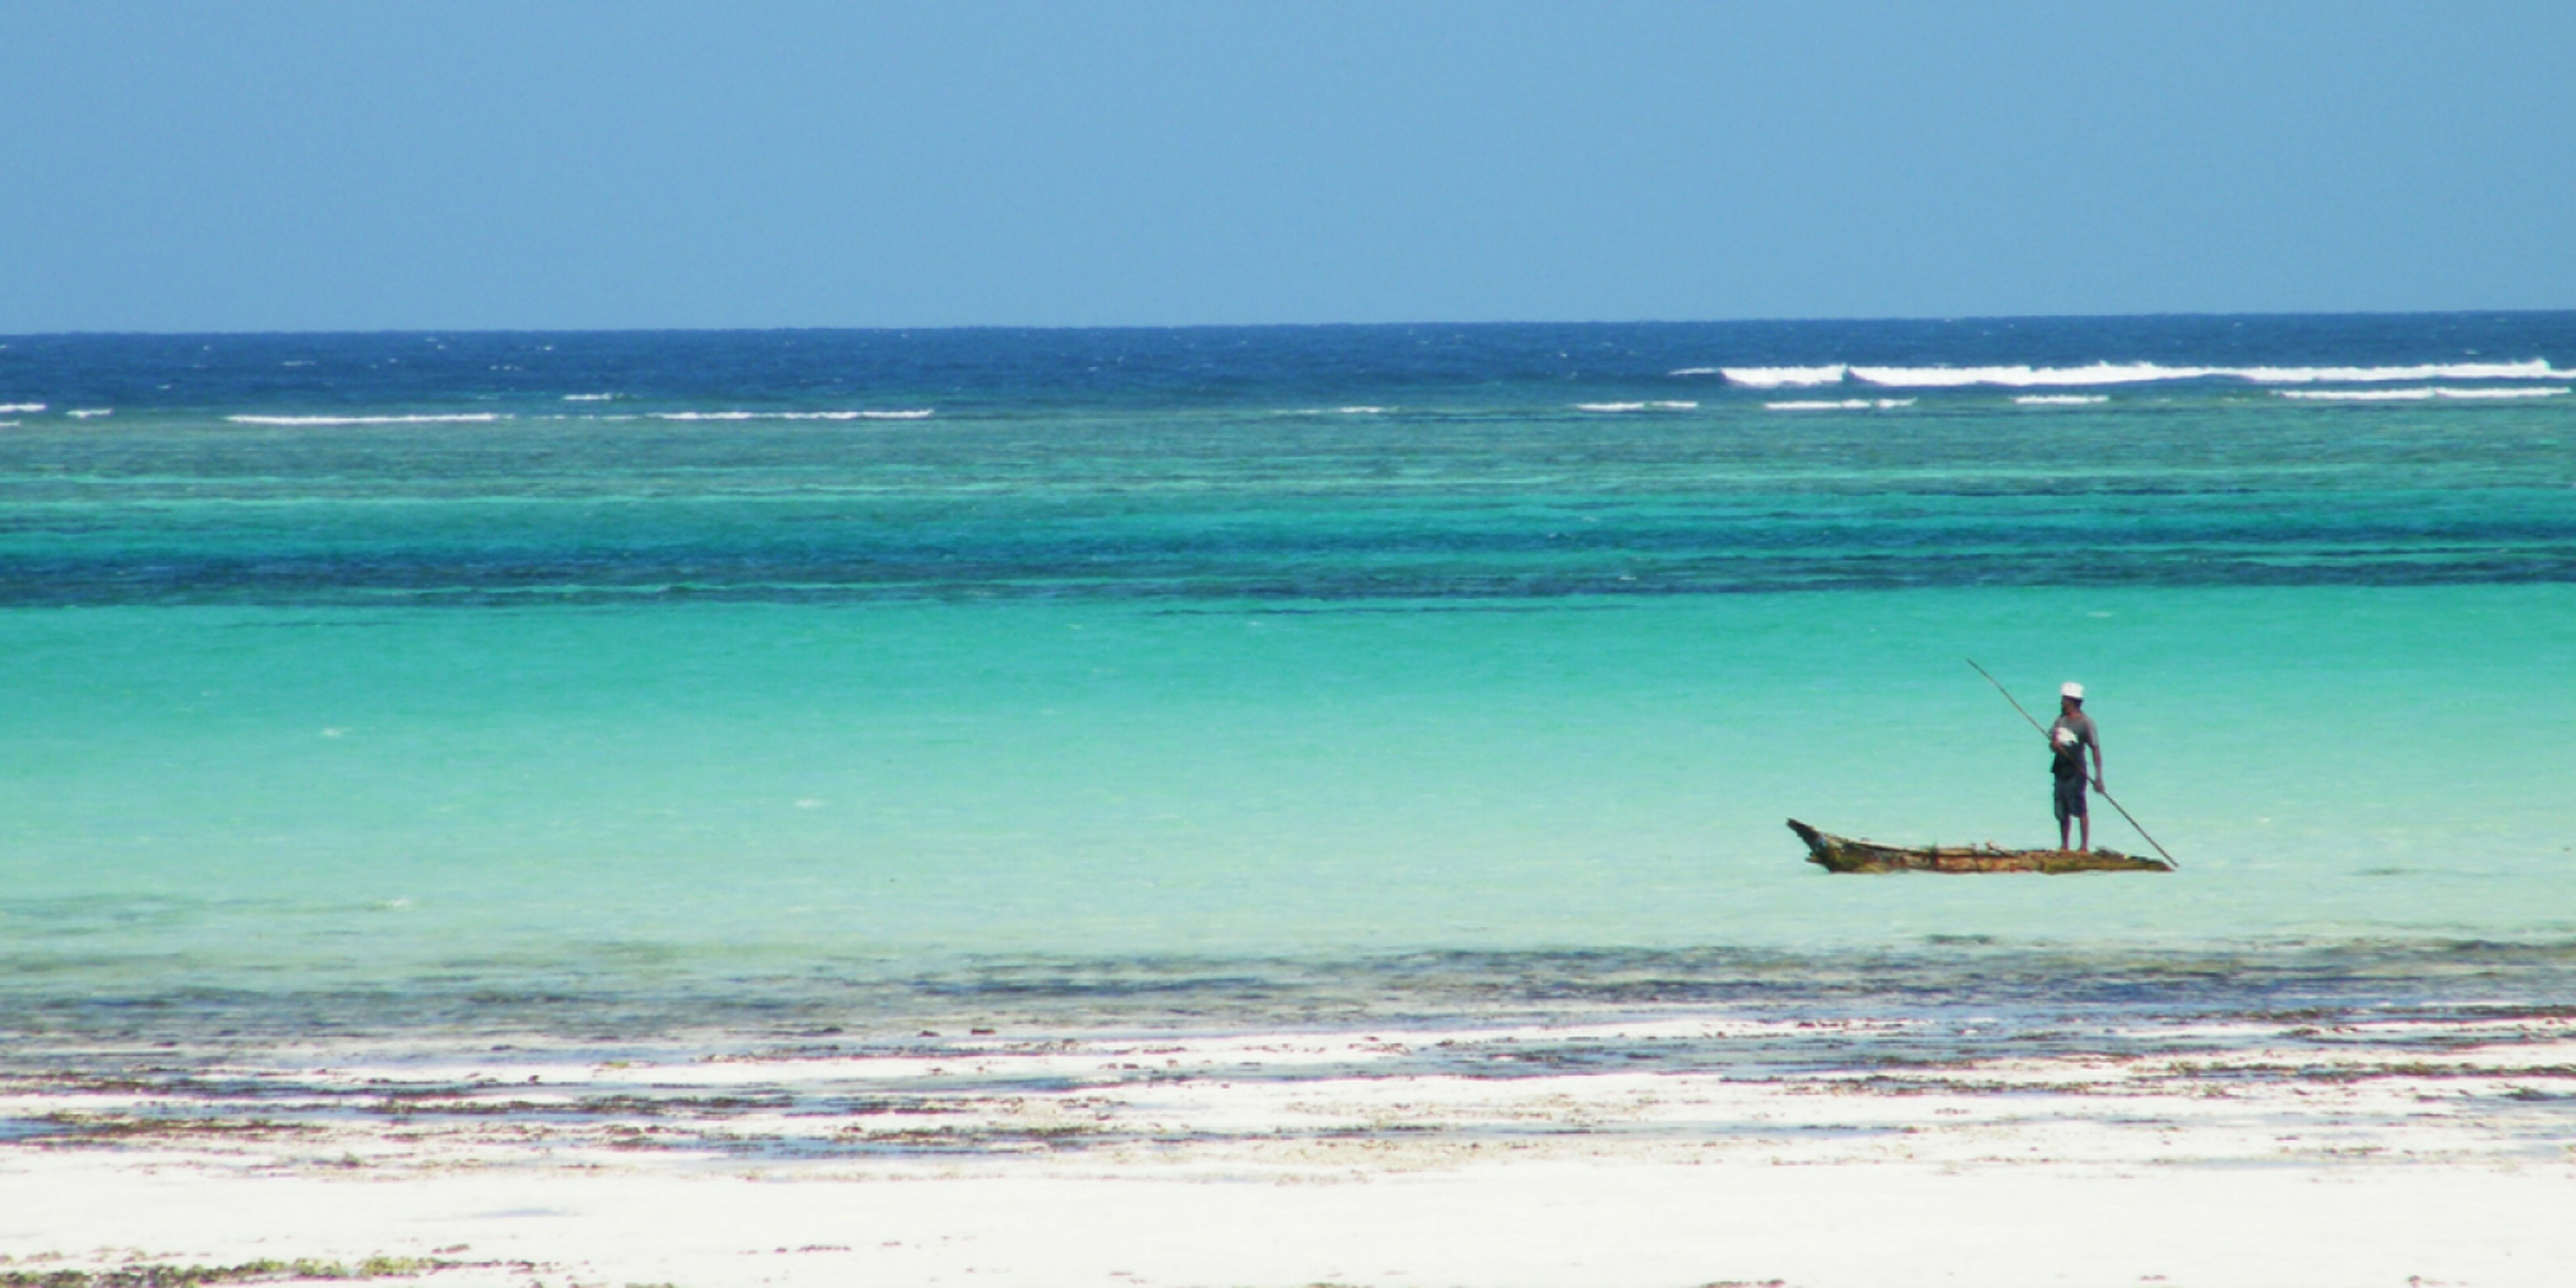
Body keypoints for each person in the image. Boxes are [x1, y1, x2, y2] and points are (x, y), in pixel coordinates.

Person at [2048, 682, 2104, 851]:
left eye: (2064, 700)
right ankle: (2065, 846)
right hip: (2060, 769)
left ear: (2072, 702)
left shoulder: (2086, 723)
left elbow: (2095, 749)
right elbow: (2052, 743)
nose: (2062, 703)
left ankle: (2083, 847)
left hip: (2076, 770)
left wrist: (2098, 777)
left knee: (2079, 807)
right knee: (2061, 809)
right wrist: (2055, 747)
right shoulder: (2060, 721)